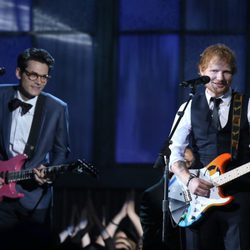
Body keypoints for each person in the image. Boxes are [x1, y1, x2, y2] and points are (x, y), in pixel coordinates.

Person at [168, 43, 250, 250]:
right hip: (198, 197)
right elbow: (174, 153)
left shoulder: (247, 104)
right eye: (214, 71)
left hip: (239, 195)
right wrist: (189, 181)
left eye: (226, 72)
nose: (220, 78)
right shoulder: (187, 108)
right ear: (201, 71)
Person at [0, 48, 70, 235]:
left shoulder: (57, 108)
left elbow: (61, 150)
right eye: (33, 75)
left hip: (35, 200)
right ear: (18, 73)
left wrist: (50, 174)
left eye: (44, 77)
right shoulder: (1, 96)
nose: (39, 82)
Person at [139, 146, 194, 250]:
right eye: (184, 162)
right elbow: (150, 237)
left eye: (190, 163)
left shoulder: (197, 191)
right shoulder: (152, 195)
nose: (188, 168)